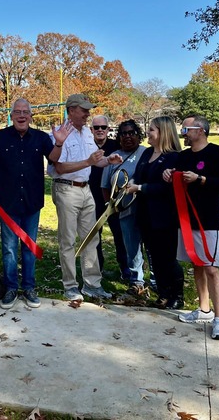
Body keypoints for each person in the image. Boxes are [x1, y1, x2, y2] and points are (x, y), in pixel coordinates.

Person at [0, 98, 73, 310]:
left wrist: (59, 142)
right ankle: (11, 288)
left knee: (29, 247)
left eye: (25, 112)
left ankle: (29, 287)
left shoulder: (41, 138)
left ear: (31, 116)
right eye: (18, 112)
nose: (22, 115)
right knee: (9, 248)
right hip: (8, 204)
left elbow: (53, 158)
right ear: (12, 115)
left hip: (32, 203)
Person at [47, 94, 122, 302]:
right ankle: (70, 286)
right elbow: (59, 167)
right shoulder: (59, 135)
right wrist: (88, 161)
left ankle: (92, 284)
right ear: (71, 110)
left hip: (86, 190)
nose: (88, 113)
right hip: (66, 190)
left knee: (91, 238)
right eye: (84, 110)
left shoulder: (86, 134)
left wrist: (108, 160)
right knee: (68, 240)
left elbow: (95, 161)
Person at [163, 115, 219, 340]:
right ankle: (204, 310)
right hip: (185, 219)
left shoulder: (217, 153)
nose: (183, 133)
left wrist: (200, 179)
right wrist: (169, 175)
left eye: (185, 129)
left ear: (200, 130)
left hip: (207, 221)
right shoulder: (183, 156)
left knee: (211, 268)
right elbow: (177, 178)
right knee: (197, 264)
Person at [126, 116, 184, 309]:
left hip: (164, 217)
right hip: (145, 215)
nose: (148, 133)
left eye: (151, 129)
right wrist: (132, 184)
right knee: (153, 257)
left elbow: (167, 189)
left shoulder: (174, 157)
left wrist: (140, 188)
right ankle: (163, 293)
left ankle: (176, 295)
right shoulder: (147, 153)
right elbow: (139, 176)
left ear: (162, 133)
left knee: (167, 257)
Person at [101, 119, 149, 294]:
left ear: (138, 135)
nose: (127, 137)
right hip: (125, 211)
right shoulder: (114, 157)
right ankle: (136, 281)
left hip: (148, 208)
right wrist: (111, 206)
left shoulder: (147, 153)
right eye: (123, 133)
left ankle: (159, 280)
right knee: (131, 246)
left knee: (152, 246)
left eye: (131, 133)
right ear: (119, 137)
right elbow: (105, 186)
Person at [88, 115, 129, 280]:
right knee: (94, 235)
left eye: (103, 127)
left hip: (113, 198)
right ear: (91, 130)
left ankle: (125, 268)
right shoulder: (86, 147)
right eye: (96, 127)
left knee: (119, 234)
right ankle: (98, 268)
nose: (99, 130)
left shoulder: (116, 146)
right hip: (91, 197)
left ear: (108, 129)